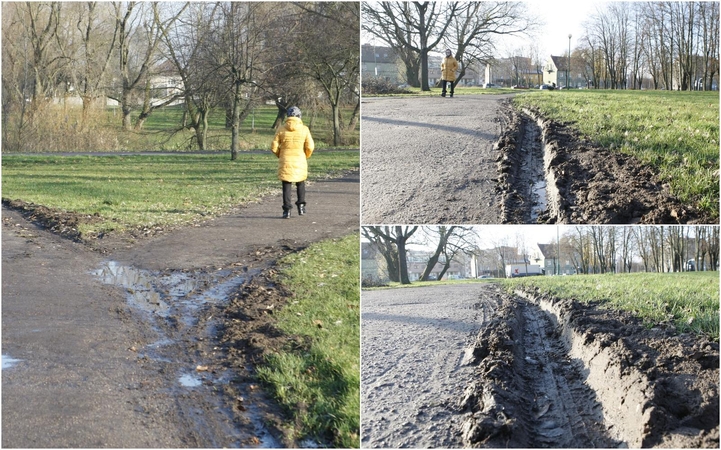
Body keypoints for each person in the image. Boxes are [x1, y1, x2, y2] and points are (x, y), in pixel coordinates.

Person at [271, 106, 314, 219]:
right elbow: (310, 146)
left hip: (285, 159)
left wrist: (280, 155)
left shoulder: (281, 129)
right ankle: (301, 206)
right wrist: (306, 155)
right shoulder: (304, 129)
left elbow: (274, 146)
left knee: (286, 184)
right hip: (300, 158)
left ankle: (287, 210)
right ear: (299, 116)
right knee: (300, 182)